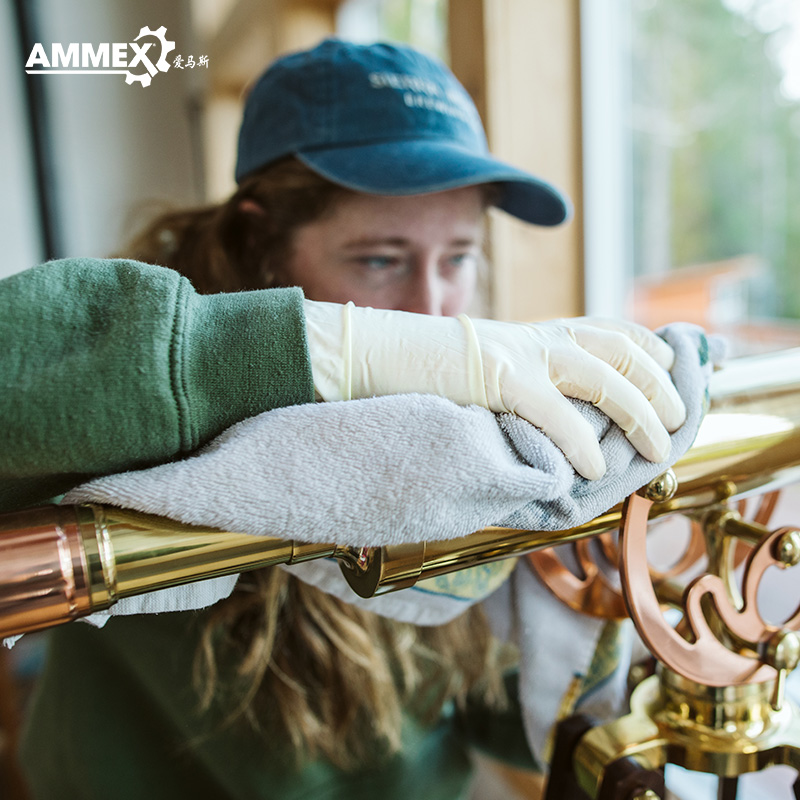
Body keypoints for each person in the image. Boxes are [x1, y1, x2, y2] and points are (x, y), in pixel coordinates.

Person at [6, 39, 685, 799]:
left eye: (457, 258)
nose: (434, 313)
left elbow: (501, 726)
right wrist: (342, 349)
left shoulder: (479, 447)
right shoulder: (135, 409)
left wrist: (590, 604)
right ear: (262, 245)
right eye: (380, 260)